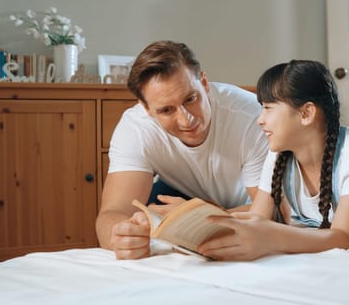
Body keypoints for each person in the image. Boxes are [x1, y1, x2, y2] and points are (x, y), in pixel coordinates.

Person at [196, 60, 349, 260]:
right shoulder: (279, 154)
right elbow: (258, 217)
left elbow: (344, 238)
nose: (260, 119)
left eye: (268, 108)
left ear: (306, 113)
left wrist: (273, 238)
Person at [95, 40, 269, 260]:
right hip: (182, 196)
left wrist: (206, 216)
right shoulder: (135, 128)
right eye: (167, 110)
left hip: (245, 204)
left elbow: (273, 211)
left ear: (204, 83)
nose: (186, 120)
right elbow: (111, 214)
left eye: (190, 99)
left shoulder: (251, 117)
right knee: (145, 212)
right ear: (146, 108)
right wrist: (120, 236)